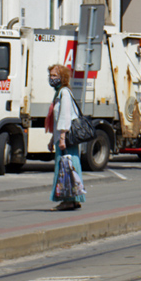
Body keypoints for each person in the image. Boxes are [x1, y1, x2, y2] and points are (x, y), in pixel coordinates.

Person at [47, 63, 85, 211]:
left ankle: (68, 200)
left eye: (54, 75)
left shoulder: (64, 93)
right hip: (62, 137)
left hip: (66, 139)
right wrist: (52, 139)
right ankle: (74, 199)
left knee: (65, 169)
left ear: (62, 77)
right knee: (70, 168)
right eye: (50, 75)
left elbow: (65, 116)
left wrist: (62, 137)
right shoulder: (59, 93)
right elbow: (58, 119)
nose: (51, 78)